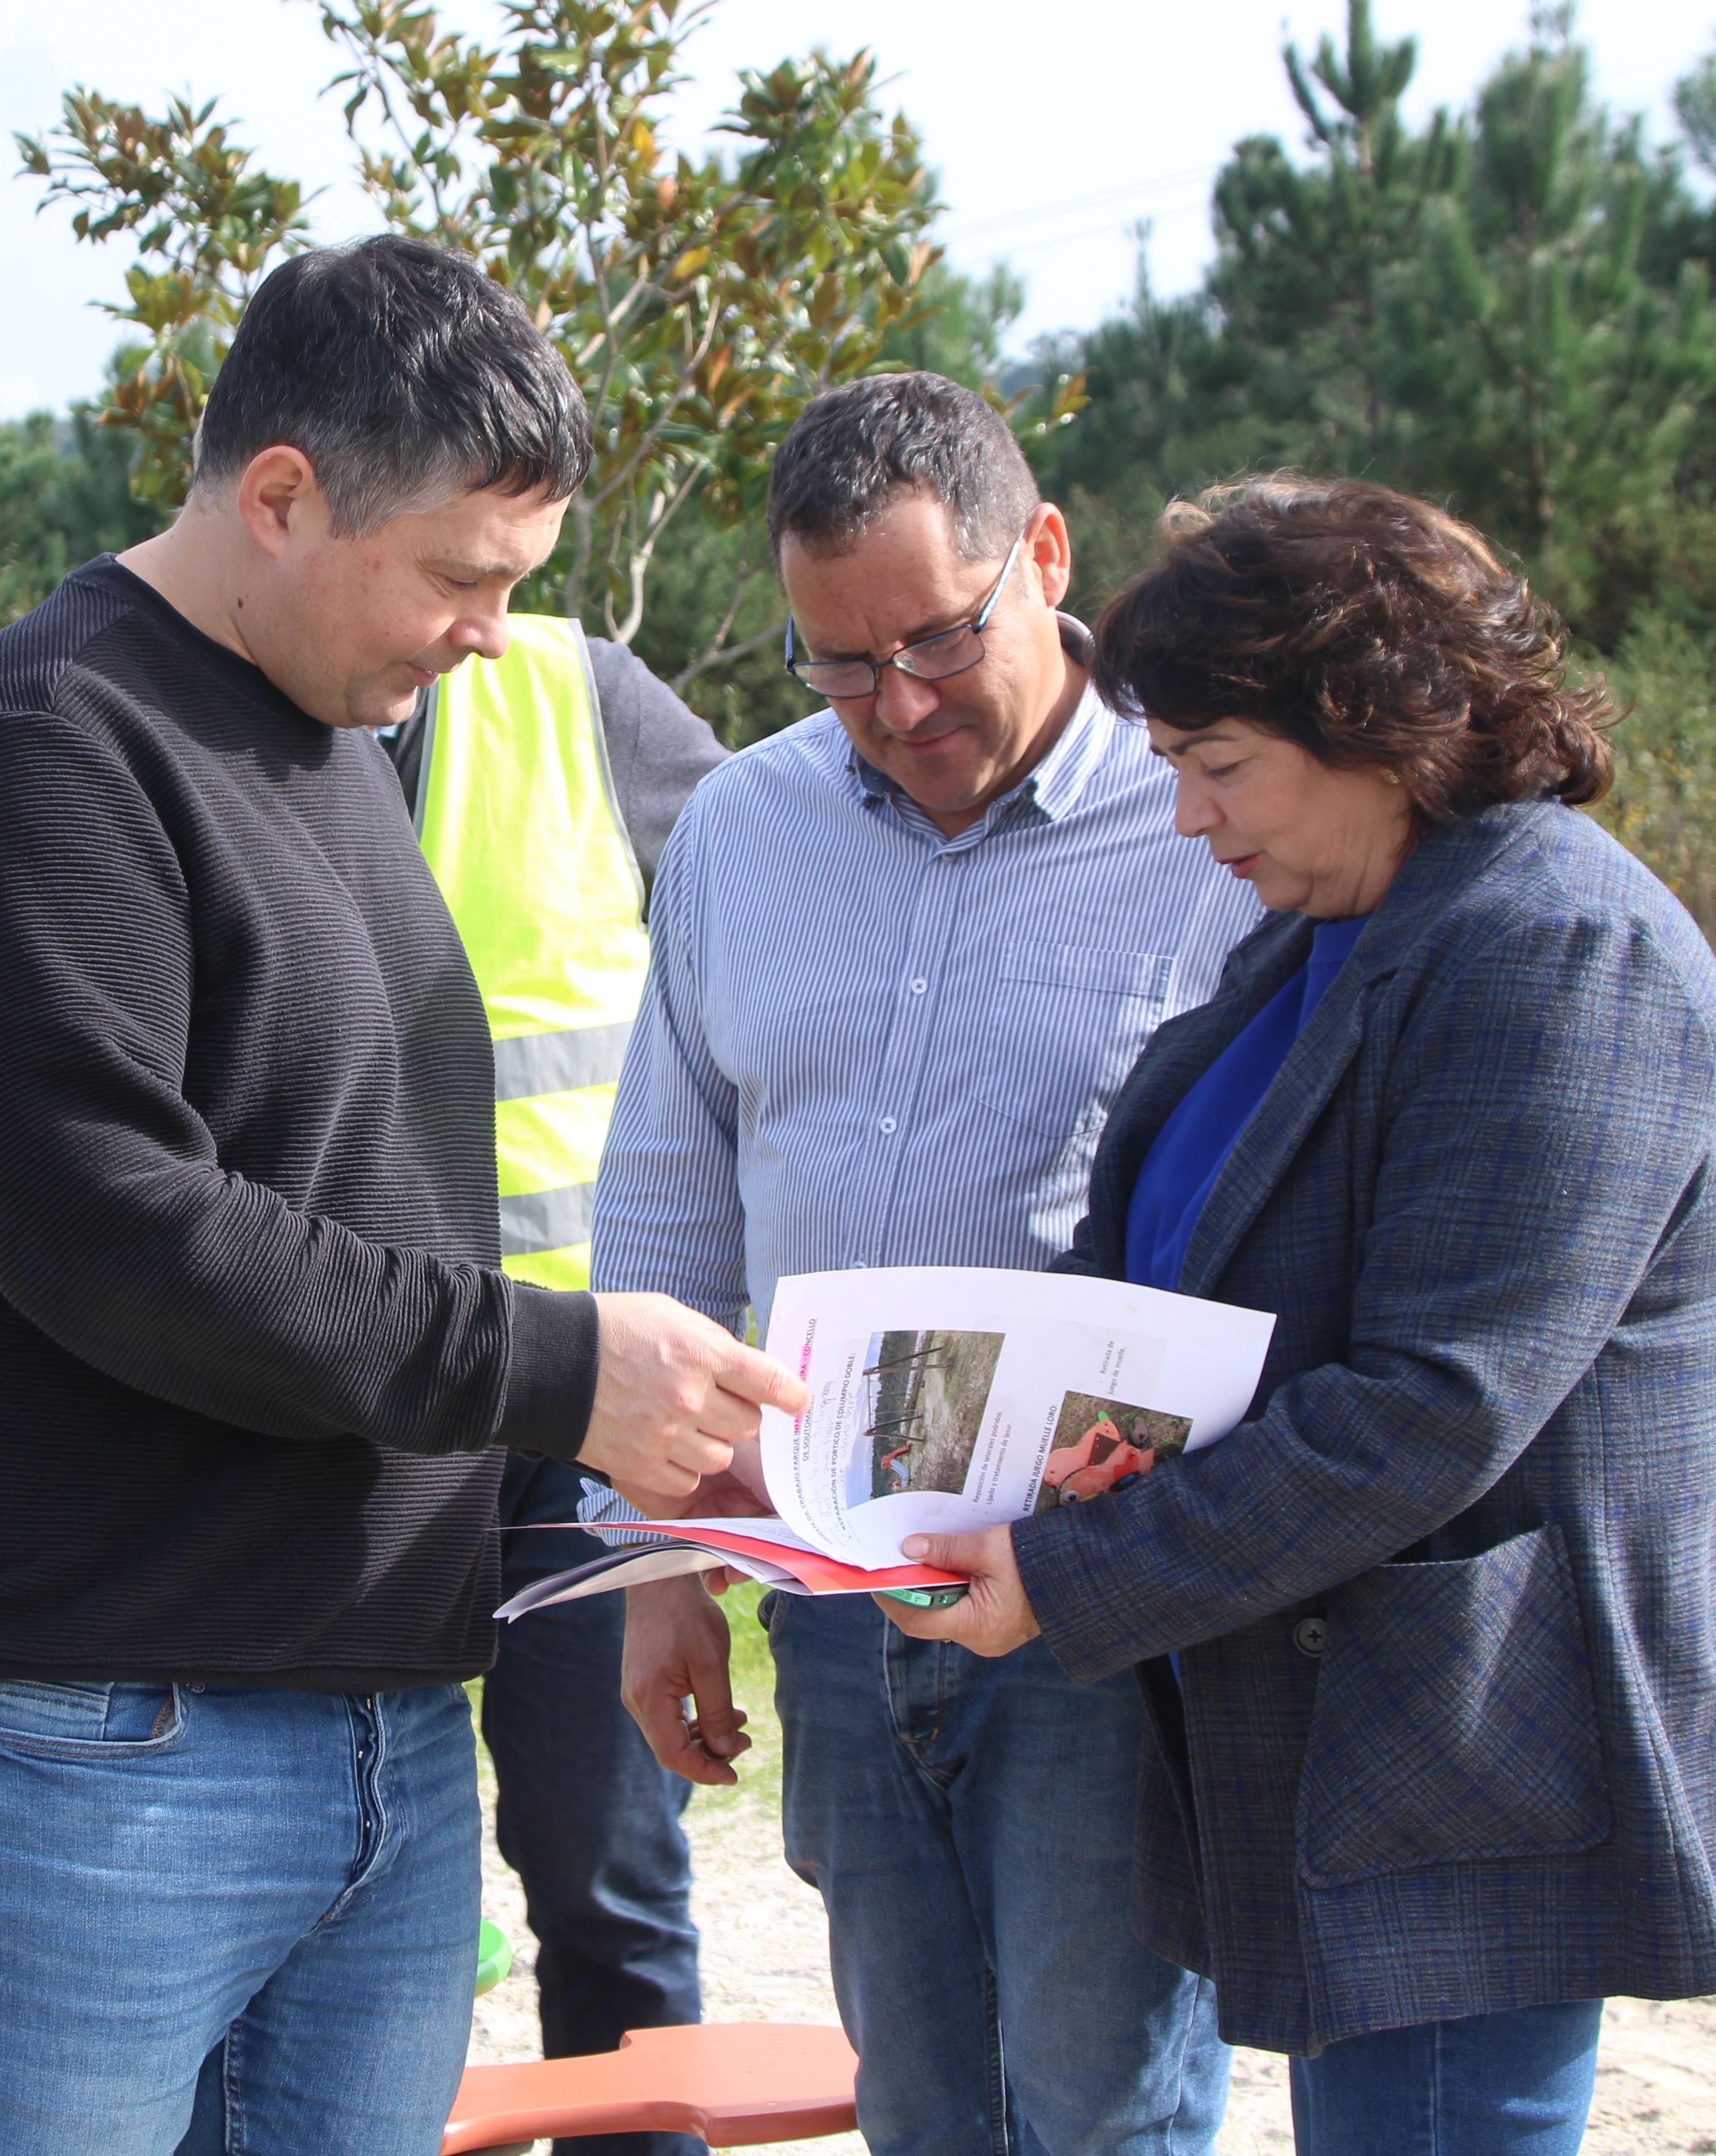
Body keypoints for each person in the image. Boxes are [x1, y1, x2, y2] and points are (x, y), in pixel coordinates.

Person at [0, 233, 804, 2156]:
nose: (493, 636)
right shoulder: (46, 746)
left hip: (378, 1716)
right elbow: (126, 1228)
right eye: (460, 574)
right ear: (280, 497)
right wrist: (559, 1373)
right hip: (92, 1729)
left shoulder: (332, 738)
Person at [885, 477, 1716, 2156]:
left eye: (1219, 769)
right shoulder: (1338, 928)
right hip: (1345, 1736)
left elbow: (1437, 1403)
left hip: (1471, 1756)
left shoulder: (1557, 950)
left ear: (1378, 721)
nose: (1187, 823)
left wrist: (1072, 1575)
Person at [595, 372, 1257, 2155]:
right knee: (923, 2110)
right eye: (837, 664)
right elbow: (670, 1198)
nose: (895, 706)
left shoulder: (1220, 827)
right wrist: (660, 1560)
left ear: (1046, 557)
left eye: (937, 643)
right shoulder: (743, 829)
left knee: (1098, 2106)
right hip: (829, 1599)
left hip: (1096, 1598)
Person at [381, 618, 728, 2156]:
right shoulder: (205, 700)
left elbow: (794, 897)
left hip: (579, 1403)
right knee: (346, 1893)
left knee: (603, 1875)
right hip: (339, 1416)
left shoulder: (577, 692)